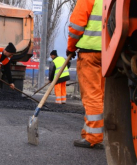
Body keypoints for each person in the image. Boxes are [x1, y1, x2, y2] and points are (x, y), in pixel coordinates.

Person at [66, 0, 105, 149]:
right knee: (102, 96)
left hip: (90, 53)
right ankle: (95, 134)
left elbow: (76, 27)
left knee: (92, 96)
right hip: (110, 54)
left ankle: (93, 137)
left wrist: (70, 48)